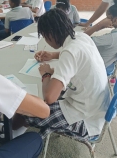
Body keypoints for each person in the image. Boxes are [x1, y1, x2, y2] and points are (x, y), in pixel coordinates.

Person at [12, 9, 110, 140]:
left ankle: (9, 135)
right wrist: (53, 55)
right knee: (41, 103)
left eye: (45, 37)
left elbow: (49, 97)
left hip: (86, 119)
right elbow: (76, 56)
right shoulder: (82, 37)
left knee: (28, 108)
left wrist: (46, 74)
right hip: (96, 108)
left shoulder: (69, 52)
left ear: (51, 34)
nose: (46, 41)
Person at [84, 0, 117, 68]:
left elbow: (82, 40)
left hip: (96, 66)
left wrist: (98, 25)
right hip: (108, 62)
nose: (105, 20)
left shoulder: (111, 38)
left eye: (108, 18)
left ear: (115, 20)